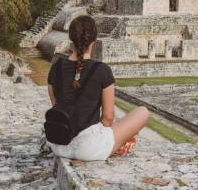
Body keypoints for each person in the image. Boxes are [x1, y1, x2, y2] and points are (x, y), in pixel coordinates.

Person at [47, 15, 149, 161]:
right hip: (87, 148)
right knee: (142, 112)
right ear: (95, 39)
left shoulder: (55, 67)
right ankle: (116, 145)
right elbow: (107, 118)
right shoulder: (101, 70)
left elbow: (56, 105)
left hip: (58, 143)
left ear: (71, 38)